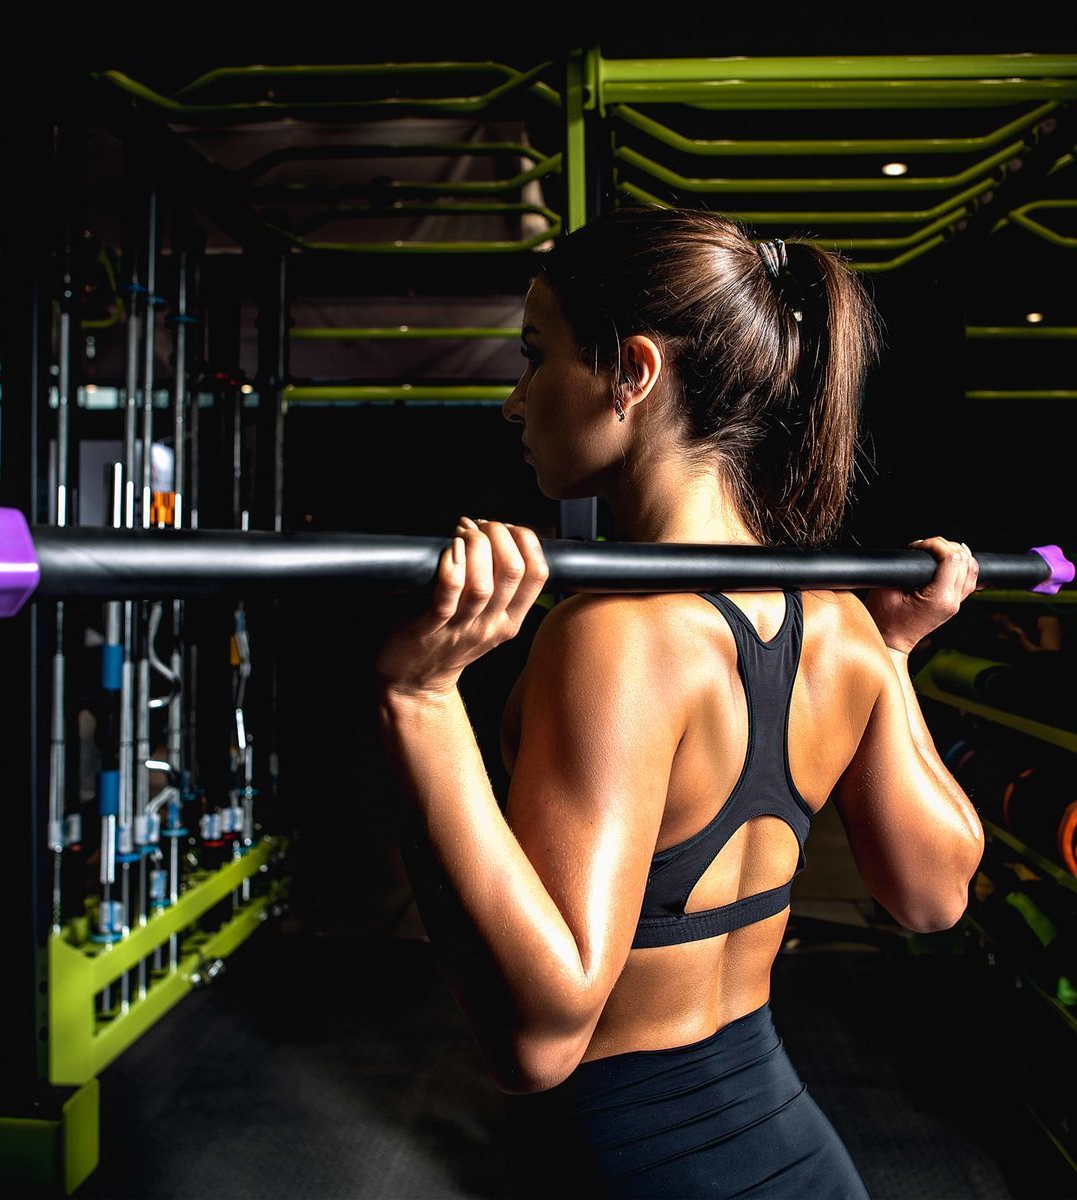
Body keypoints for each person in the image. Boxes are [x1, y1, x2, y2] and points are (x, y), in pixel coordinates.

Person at [374, 208, 985, 1199]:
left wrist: (420, 698)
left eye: (536, 355)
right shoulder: (841, 622)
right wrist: (896, 651)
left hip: (634, 1167)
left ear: (634, 372)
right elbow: (938, 899)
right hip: (797, 1155)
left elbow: (540, 1039)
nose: (516, 402)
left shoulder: (615, 637)